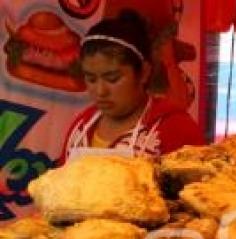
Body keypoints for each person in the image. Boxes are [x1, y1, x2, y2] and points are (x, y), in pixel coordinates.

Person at [61, 9, 204, 163]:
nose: (101, 91)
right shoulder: (82, 126)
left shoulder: (177, 128)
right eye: (91, 79)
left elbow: (199, 185)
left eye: (113, 79)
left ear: (143, 72)